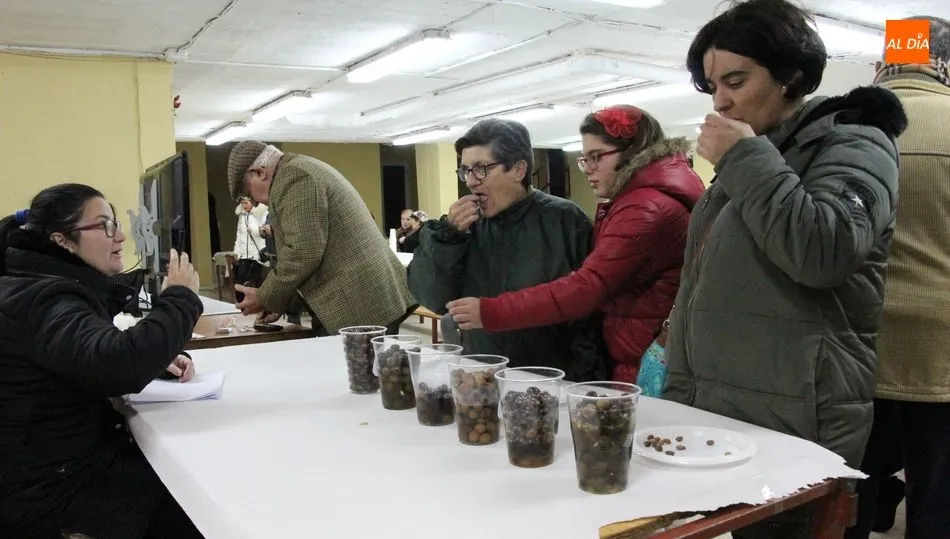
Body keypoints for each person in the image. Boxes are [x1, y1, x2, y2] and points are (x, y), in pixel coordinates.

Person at [662, 0, 907, 536]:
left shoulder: (857, 141)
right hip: (734, 406)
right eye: (712, 86)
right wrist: (682, 398)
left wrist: (743, 160)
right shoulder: (763, 153)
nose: (721, 101)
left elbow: (826, 250)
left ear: (791, 79)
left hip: (799, 416)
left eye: (736, 81)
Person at [0, 184, 204, 538]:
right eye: (105, 225)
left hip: (49, 464)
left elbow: (78, 354)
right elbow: (116, 365)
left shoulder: (37, 283)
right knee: (189, 500)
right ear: (62, 240)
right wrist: (180, 299)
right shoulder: (45, 297)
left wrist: (157, 357)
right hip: (48, 487)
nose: (121, 236)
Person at [447, 105, 704, 383]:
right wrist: (445, 236)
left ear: (632, 152)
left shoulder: (646, 208)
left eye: (597, 157)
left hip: (644, 357)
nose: (588, 169)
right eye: (584, 159)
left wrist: (491, 311)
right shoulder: (640, 200)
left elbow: (587, 289)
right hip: (637, 347)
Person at [847, 15, 950, 539]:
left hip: (855, 342)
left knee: (847, 492)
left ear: (882, 60)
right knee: (938, 500)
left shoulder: (842, 126)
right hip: (941, 349)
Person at [409, 118, 608, 381]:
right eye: (465, 171)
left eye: (481, 169)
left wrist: (581, 379)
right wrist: (447, 237)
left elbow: (592, 312)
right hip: (482, 374)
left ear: (518, 169)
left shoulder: (565, 221)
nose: (471, 181)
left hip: (550, 377)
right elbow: (433, 298)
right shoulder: (465, 228)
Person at [226, 141, 416, 335]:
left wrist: (265, 297)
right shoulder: (298, 169)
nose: (255, 201)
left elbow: (303, 253)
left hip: (361, 304)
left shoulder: (294, 177)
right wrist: (280, 302)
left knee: (362, 365)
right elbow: (314, 251)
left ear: (260, 172)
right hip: (361, 298)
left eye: (249, 192)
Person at [232, 196, 268, 288]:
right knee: (241, 278)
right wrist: (236, 250)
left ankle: (258, 300)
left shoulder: (261, 213)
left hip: (257, 252)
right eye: (242, 203)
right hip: (244, 253)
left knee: (256, 278)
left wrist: (253, 230)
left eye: (246, 203)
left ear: (252, 202)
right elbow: (239, 234)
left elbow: (265, 231)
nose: (244, 205)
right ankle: (241, 299)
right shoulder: (242, 216)